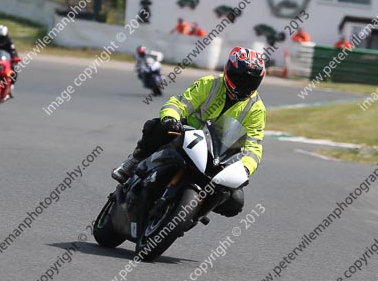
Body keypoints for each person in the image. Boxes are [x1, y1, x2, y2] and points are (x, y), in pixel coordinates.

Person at [111, 46, 267, 217]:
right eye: (239, 78)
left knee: (235, 201)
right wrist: (171, 118)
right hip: (187, 136)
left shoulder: (256, 108)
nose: (243, 85)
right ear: (228, 70)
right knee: (157, 127)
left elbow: (254, 146)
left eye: (250, 82)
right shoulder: (209, 84)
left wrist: (245, 168)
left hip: (219, 156)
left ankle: (193, 214)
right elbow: (180, 104)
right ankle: (135, 160)